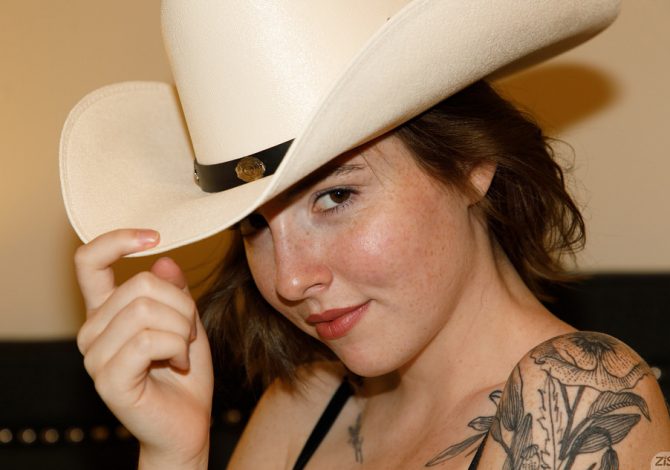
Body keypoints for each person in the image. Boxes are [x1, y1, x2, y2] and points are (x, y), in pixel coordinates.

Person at [60, 1, 670, 469]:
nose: (289, 279)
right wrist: (174, 454)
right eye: (254, 226)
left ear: (469, 164)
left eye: (335, 197)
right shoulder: (308, 403)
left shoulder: (574, 395)